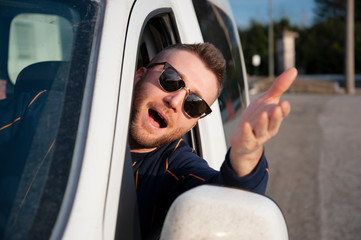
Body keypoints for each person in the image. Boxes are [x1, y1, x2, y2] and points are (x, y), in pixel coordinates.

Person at [129, 43, 297, 239]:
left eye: (194, 105)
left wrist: (245, 156)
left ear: (193, 123)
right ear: (139, 75)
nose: (174, 102)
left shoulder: (176, 169)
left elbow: (226, 200)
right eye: (171, 80)